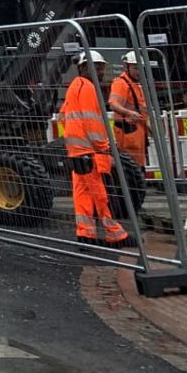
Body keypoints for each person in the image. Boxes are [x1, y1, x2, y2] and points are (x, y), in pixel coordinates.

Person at [57, 50, 129, 247]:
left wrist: (73, 138)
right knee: (101, 195)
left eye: (101, 67)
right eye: (96, 67)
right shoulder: (88, 87)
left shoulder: (75, 86)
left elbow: (63, 115)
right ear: (83, 68)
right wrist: (104, 148)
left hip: (77, 151)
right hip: (90, 152)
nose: (100, 71)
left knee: (83, 194)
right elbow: (93, 124)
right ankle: (115, 235)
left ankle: (85, 235)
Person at [107, 51, 149, 169]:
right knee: (131, 168)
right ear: (127, 67)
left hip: (137, 133)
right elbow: (113, 104)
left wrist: (148, 126)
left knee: (138, 167)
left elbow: (141, 109)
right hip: (128, 134)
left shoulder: (134, 85)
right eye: (135, 68)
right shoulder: (121, 83)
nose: (138, 72)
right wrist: (129, 113)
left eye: (140, 68)